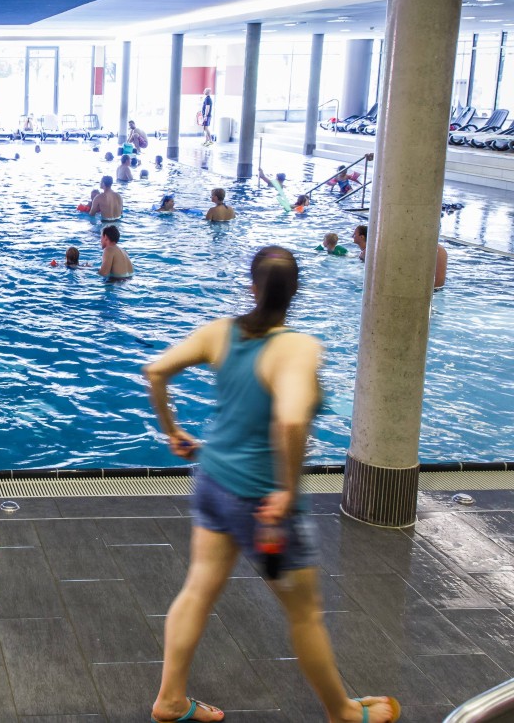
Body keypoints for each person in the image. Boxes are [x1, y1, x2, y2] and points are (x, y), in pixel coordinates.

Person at [142, 246, 400, 723]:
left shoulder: (221, 333)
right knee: (304, 614)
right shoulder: (298, 348)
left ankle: (171, 700)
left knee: (198, 589)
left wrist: (172, 431)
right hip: (262, 506)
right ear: (296, 291)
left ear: (251, 287)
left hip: (213, 483)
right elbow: (290, 419)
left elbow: (155, 371)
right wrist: (284, 488)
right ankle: (342, 712)